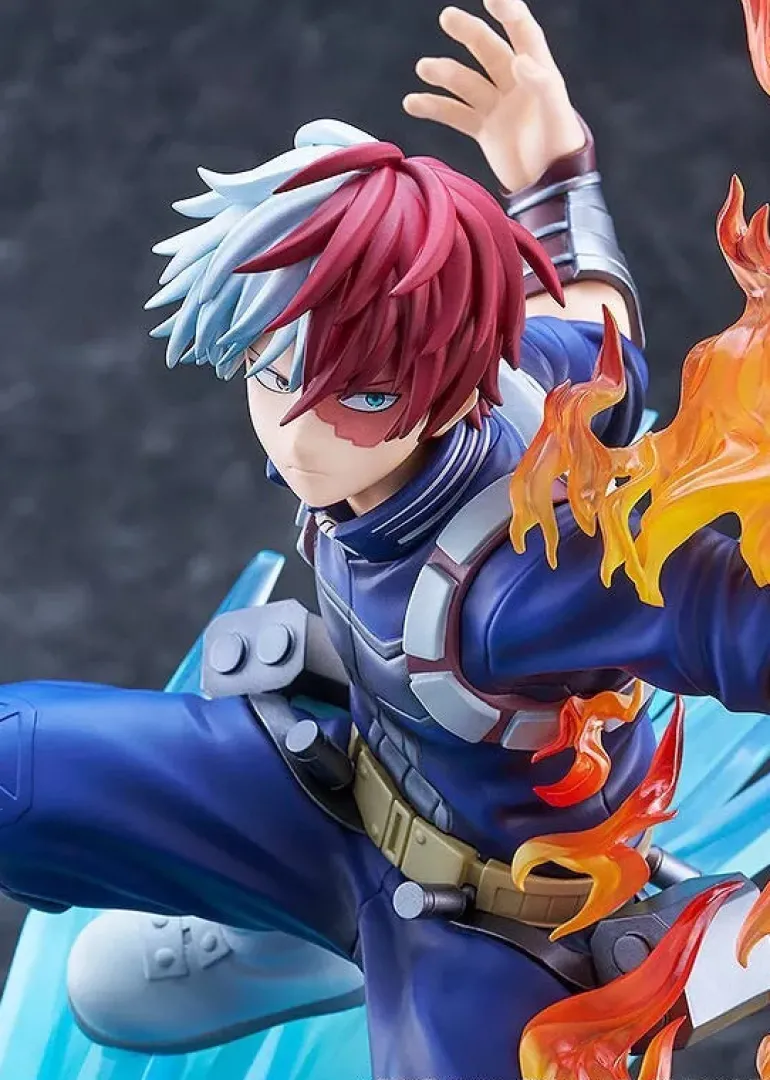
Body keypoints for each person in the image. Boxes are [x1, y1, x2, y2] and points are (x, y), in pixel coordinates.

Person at [0, 1, 767, 1077]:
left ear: (449, 381)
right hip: (334, 783)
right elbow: (607, 332)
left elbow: (727, 623)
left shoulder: (537, 573)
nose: (299, 430)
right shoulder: (525, 368)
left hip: (490, 925)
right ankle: (295, 923)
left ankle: (351, 944)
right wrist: (553, 171)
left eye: (359, 396)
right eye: (271, 372)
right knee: (17, 769)